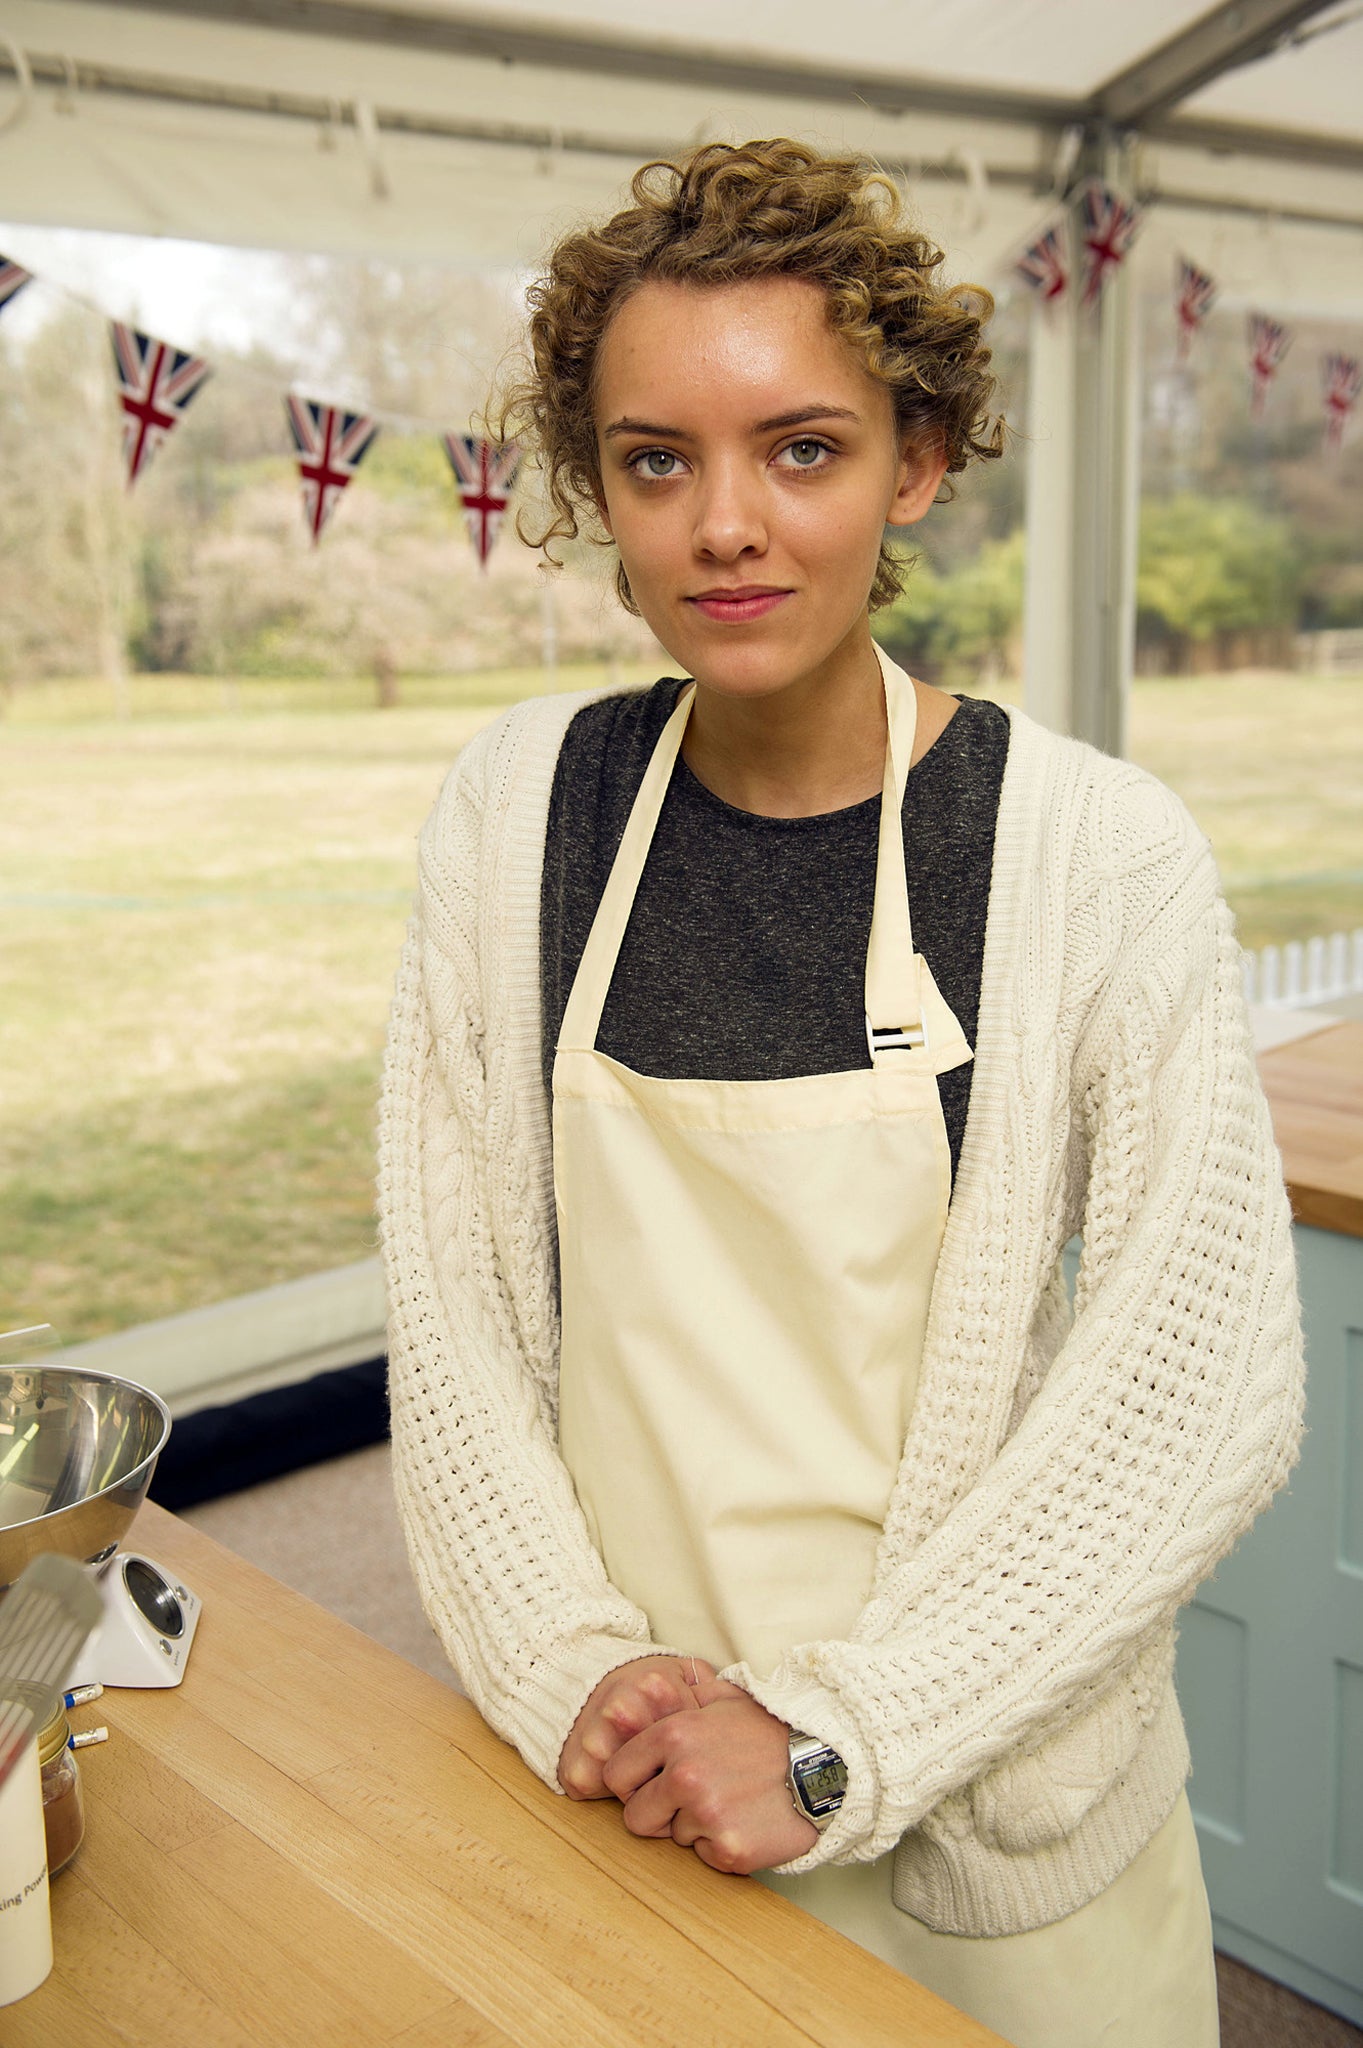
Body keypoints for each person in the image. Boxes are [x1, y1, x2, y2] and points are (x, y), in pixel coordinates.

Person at [378, 139, 1305, 2047]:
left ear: (920, 461)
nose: (728, 523)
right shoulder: (514, 817)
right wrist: (573, 1669)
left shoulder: (1093, 856)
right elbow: (452, 1298)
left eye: (802, 448)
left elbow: (1197, 1386)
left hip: (986, 1805)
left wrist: (834, 1734)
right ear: (597, 490)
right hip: (632, 1776)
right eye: (658, 460)